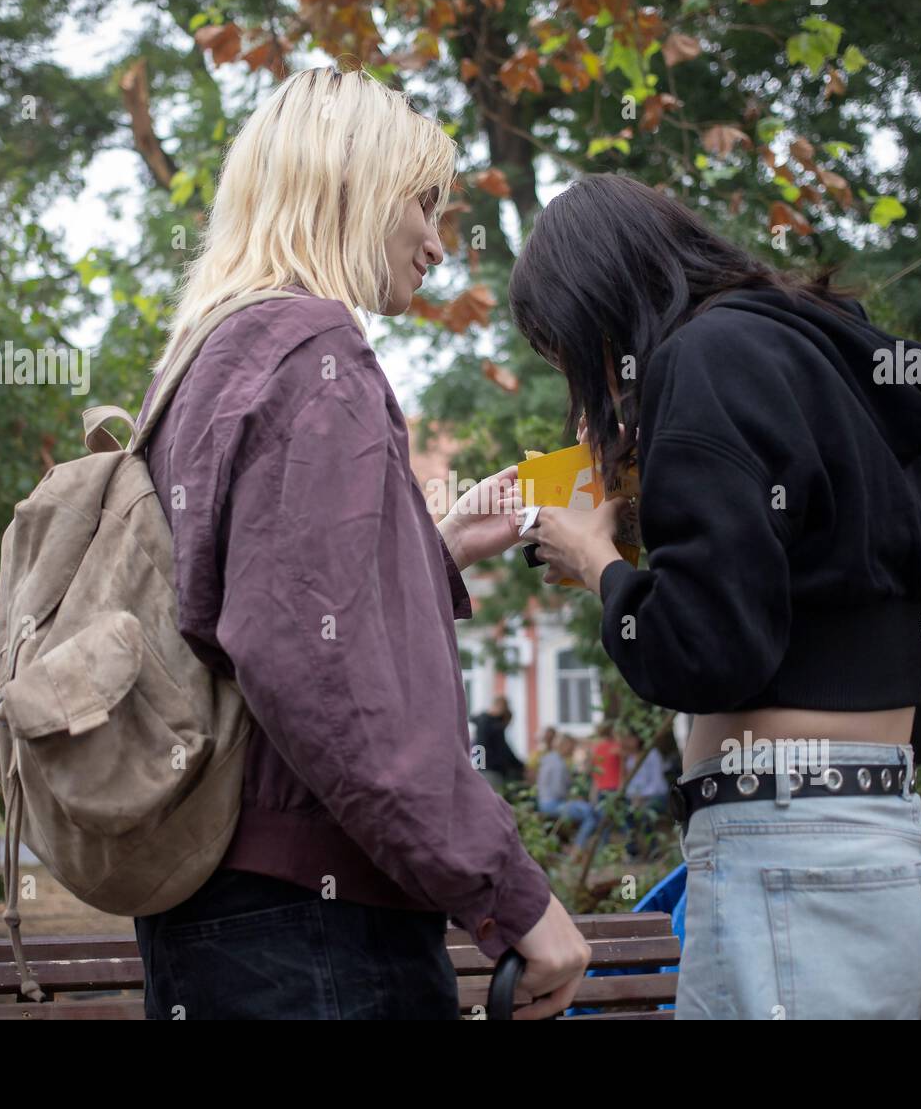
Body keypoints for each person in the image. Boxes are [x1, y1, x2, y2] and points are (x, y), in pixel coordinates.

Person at [131, 68, 589, 1021]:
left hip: (222, 920)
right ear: (347, 188)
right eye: (421, 205)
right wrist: (513, 896)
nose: (436, 240)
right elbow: (318, 669)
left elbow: (253, 607)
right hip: (312, 933)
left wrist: (435, 547)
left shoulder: (208, 354)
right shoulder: (314, 349)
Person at [510, 173, 921, 1019]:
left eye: (571, 349)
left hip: (796, 858)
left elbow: (704, 651)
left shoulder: (703, 356)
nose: (593, 380)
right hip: (886, 842)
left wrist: (600, 561)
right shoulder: (812, 346)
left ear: (601, 307)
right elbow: (813, 565)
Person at [537, 734, 599, 853]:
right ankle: (577, 850)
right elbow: (558, 791)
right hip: (553, 804)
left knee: (586, 810)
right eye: (572, 746)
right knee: (590, 814)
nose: (573, 750)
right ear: (565, 745)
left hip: (545, 802)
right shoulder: (558, 764)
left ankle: (577, 848)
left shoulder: (549, 758)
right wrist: (573, 799)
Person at [469, 697, 524, 791]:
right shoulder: (490, 724)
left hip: (486, 769)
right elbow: (483, 747)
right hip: (490, 771)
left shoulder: (485, 722)